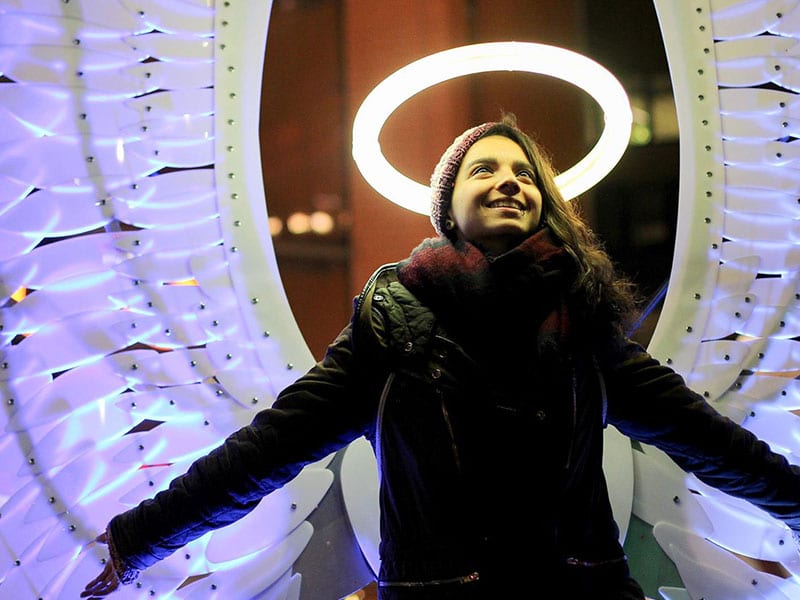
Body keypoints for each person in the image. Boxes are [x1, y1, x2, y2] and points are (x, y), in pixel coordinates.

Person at [82, 113, 800, 599]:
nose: (509, 181)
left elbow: (709, 439)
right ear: (448, 207)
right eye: (483, 170)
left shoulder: (582, 321)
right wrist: (141, 535)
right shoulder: (392, 322)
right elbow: (272, 446)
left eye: (523, 173)